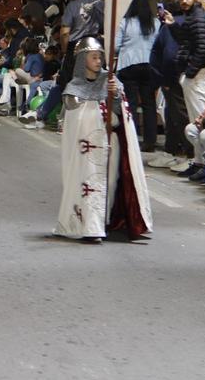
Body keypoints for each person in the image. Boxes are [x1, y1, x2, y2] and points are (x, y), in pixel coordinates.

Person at [53, 37, 153, 242]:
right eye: (94, 57)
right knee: (86, 185)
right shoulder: (73, 89)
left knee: (108, 185)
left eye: (100, 57)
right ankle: (90, 227)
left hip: (110, 145)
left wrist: (115, 96)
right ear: (82, 60)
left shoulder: (111, 82)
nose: (99, 61)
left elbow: (122, 116)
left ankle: (103, 222)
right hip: (83, 151)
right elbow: (72, 121)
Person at [115, 0, 161, 156]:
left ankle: (132, 138)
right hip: (149, 66)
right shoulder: (155, 23)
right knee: (149, 104)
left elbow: (115, 46)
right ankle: (150, 141)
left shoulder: (125, 23)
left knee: (131, 103)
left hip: (129, 65)